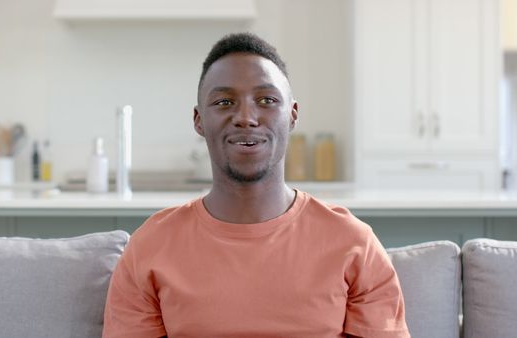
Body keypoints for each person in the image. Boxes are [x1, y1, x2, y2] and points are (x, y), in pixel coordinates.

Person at [103, 32, 410, 338]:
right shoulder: (150, 246)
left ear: (292, 115)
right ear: (199, 120)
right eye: (224, 102)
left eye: (266, 100)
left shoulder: (354, 243)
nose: (246, 117)